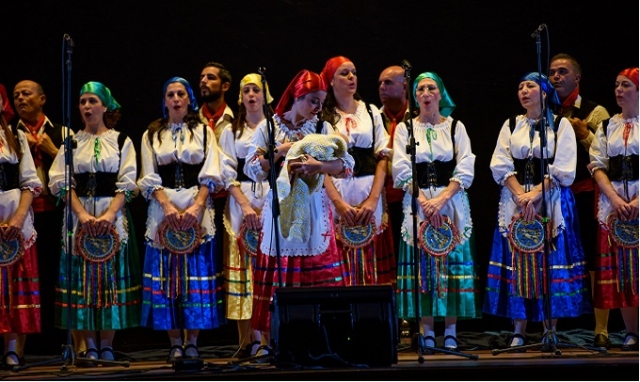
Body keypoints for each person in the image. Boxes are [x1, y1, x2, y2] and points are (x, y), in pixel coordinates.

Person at [243, 69, 354, 344]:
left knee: (317, 271)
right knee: (280, 273)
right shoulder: (269, 128)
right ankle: (277, 342)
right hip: (280, 209)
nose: (318, 107)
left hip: (314, 210)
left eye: (321, 101)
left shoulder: (321, 129)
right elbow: (253, 169)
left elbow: (345, 166)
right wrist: (279, 151)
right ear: (298, 96)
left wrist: (319, 166)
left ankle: (320, 339)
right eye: (313, 100)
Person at [483, 72, 592, 349]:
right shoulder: (510, 125)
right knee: (519, 260)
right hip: (516, 199)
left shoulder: (562, 125)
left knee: (548, 262)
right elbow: (500, 162)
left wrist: (535, 196)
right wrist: (521, 196)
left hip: (551, 199)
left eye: (530, 86)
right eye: (520, 86)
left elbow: (564, 166)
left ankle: (549, 328)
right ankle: (519, 328)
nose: (524, 91)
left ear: (544, 92)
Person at [48, 81, 141, 363]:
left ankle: (107, 344)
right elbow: (62, 183)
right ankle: (89, 345)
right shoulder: (71, 143)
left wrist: (108, 216)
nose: (86, 107)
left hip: (111, 215)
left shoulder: (122, 141)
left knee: (108, 280)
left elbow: (127, 183)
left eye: (92, 101)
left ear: (105, 106)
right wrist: (83, 215)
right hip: (80, 217)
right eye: (82, 102)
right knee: (84, 280)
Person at [391, 72, 481, 352]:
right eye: (421, 89)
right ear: (415, 96)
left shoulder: (456, 128)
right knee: (423, 266)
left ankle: (451, 331)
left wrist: (441, 200)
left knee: (450, 263)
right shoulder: (405, 129)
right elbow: (401, 167)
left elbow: (465, 165)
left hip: (450, 202)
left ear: (440, 94)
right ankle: (427, 330)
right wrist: (423, 202)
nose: (426, 93)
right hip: (418, 204)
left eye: (431, 88)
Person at [138, 77, 225, 362]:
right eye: (170, 95)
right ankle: (174, 340)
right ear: (164, 101)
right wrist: (166, 206)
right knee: (167, 275)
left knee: (194, 274)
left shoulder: (202, 131)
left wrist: (198, 206)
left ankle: (192, 341)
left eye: (180, 94)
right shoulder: (152, 133)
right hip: (163, 209)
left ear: (189, 99)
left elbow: (212, 168)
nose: (175, 99)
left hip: (195, 206)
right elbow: (148, 174)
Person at [549, 53, 612, 349]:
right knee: (555, 259)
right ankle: (551, 328)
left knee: (594, 261)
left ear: (577, 78)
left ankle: (601, 328)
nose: (556, 77)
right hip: (553, 195)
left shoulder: (595, 111)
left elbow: (607, 155)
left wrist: (585, 134)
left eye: (563, 72)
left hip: (586, 195)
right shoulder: (544, 109)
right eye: (552, 73)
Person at [319, 56, 395, 287]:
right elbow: (319, 165)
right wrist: (338, 202)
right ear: (331, 80)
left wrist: (372, 199)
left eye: (354, 72)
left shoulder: (370, 112)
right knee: (338, 262)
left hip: (367, 192)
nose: (352, 77)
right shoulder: (322, 116)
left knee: (371, 264)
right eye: (344, 73)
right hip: (335, 195)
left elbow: (382, 157)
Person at [12, 80, 70, 355]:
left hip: (57, 214)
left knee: (56, 276)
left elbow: (80, 177)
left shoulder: (62, 132)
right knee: (27, 278)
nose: (21, 98)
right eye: (16, 96)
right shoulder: (8, 134)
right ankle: (26, 342)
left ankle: (58, 339)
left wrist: (51, 150)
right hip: (23, 217)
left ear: (43, 98)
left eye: (26, 93)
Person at [218, 73, 273, 358]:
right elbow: (227, 171)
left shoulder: (275, 128)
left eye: (256, 90)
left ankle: (270, 338)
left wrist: (266, 207)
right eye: (247, 91)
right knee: (244, 275)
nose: (252, 95)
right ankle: (249, 340)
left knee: (269, 272)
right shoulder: (231, 131)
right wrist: (247, 206)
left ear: (266, 95)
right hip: (241, 208)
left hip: (271, 205)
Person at [587, 67, 639, 351]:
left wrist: (637, 203)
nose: (618, 89)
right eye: (617, 85)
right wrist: (617, 201)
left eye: (626, 85)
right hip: (614, 208)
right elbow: (597, 166)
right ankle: (631, 331)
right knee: (623, 271)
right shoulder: (607, 126)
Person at [0, 83, 42, 368]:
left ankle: (12, 349)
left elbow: (30, 183)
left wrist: (16, 219)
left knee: (14, 285)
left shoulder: (15, 135)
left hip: (15, 218)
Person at [378, 65, 411, 265]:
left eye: (388, 82)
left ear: (404, 86)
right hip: (380, 202)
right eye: (380, 83)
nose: (382, 87)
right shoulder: (372, 118)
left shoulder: (418, 118)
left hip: (410, 200)